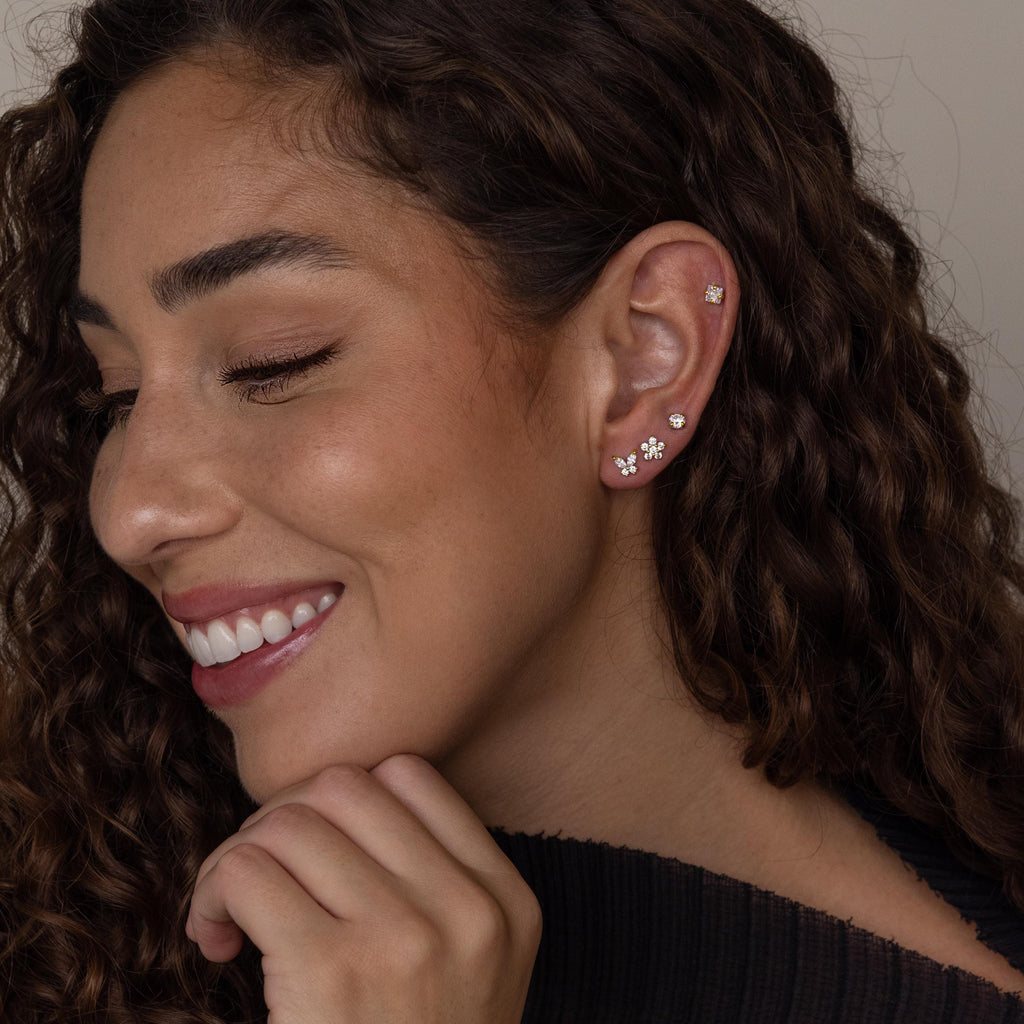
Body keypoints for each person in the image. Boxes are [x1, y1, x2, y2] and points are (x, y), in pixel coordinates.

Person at [1, 0, 1023, 1020]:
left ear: (639, 357)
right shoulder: (81, 933)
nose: (131, 510)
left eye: (275, 360)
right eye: (117, 397)